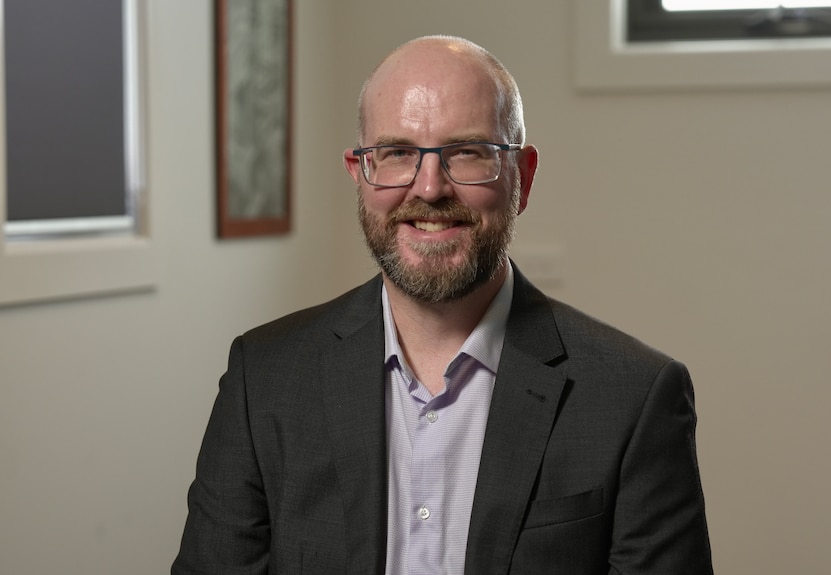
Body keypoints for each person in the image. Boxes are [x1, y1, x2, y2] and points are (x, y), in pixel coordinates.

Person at [173, 35, 713, 575]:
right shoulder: (264, 379)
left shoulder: (632, 398)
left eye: (467, 152)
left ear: (522, 178)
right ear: (359, 174)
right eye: (397, 153)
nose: (429, 189)